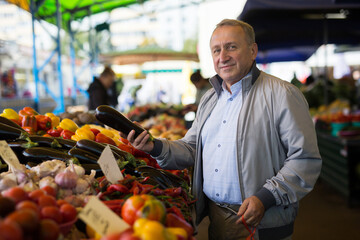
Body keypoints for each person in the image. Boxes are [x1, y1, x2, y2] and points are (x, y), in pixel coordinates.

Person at [121, 19, 322, 240]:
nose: (223, 56)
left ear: (253, 50)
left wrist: (265, 198)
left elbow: (305, 159)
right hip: (217, 219)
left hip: (262, 222)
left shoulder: (282, 94)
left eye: (231, 47)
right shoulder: (210, 99)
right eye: (216, 50)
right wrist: (154, 146)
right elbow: (192, 147)